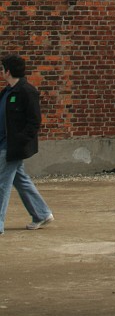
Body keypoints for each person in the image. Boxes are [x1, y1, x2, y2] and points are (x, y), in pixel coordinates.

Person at [0, 54, 54, 233]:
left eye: (2, 69)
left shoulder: (26, 92)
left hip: (12, 147)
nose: (1, 72)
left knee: (2, 184)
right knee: (20, 180)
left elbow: (34, 121)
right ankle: (42, 214)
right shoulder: (7, 92)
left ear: (8, 71)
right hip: (4, 144)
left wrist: (20, 141)